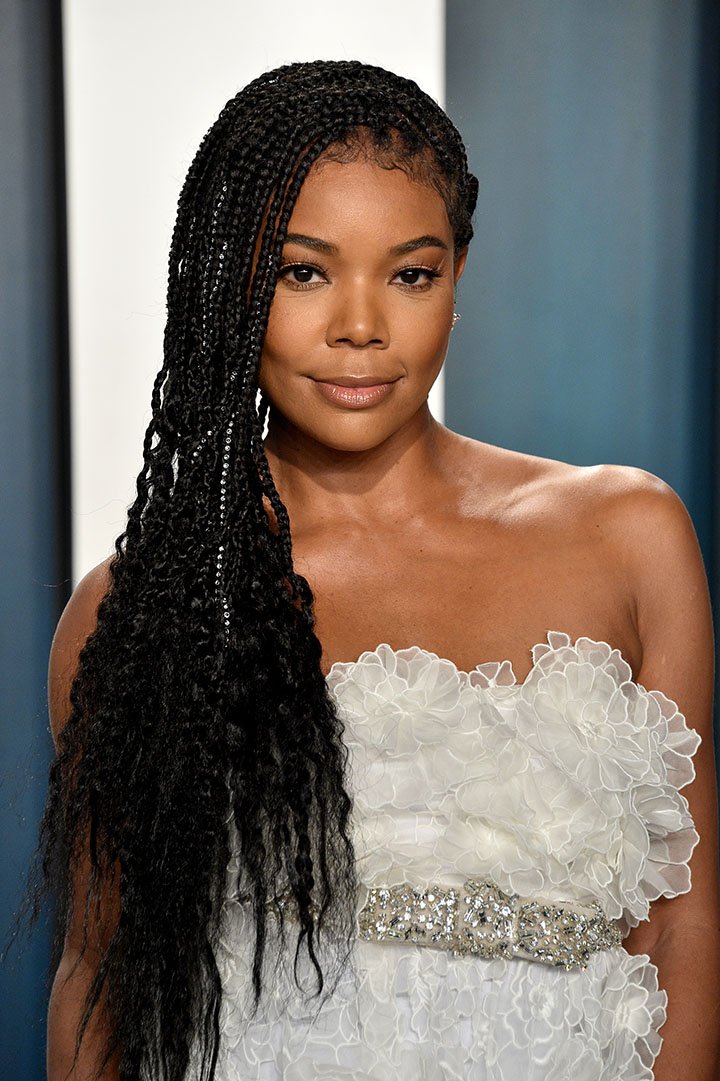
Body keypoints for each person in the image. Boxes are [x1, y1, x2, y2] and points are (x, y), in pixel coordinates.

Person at [32, 59, 720, 1080]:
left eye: (410, 272)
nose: (361, 325)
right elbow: (100, 970)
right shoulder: (141, 609)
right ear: (228, 281)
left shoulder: (626, 534)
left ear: (458, 276)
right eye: (302, 271)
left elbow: (680, 928)